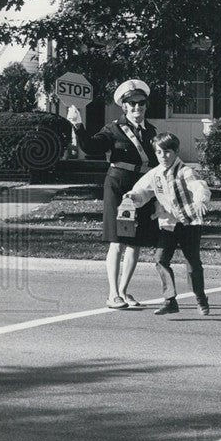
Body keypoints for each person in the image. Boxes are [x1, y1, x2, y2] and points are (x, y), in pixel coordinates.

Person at [67, 79, 159, 309]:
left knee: (135, 243)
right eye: (132, 104)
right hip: (119, 187)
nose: (137, 108)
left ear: (146, 105)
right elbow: (90, 148)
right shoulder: (114, 129)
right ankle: (113, 293)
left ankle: (125, 292)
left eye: (141, 103)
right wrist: (78, 125)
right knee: (117, 241)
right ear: (124, 106)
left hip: (142, 189)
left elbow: (158, 165)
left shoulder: (152, 132)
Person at [124, 132, 212, 316]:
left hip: (189, 223)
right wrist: (134, 196)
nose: (163, 156)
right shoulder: (155, 174)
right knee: (161, 259)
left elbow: (198, 185)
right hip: (168, 223)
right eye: (159, 152)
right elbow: (143, 191)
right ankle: (170, 300)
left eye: (167, 152)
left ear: (176, 151)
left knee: (192, 263)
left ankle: (201, 299)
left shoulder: (185, 171)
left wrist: (201, 200)